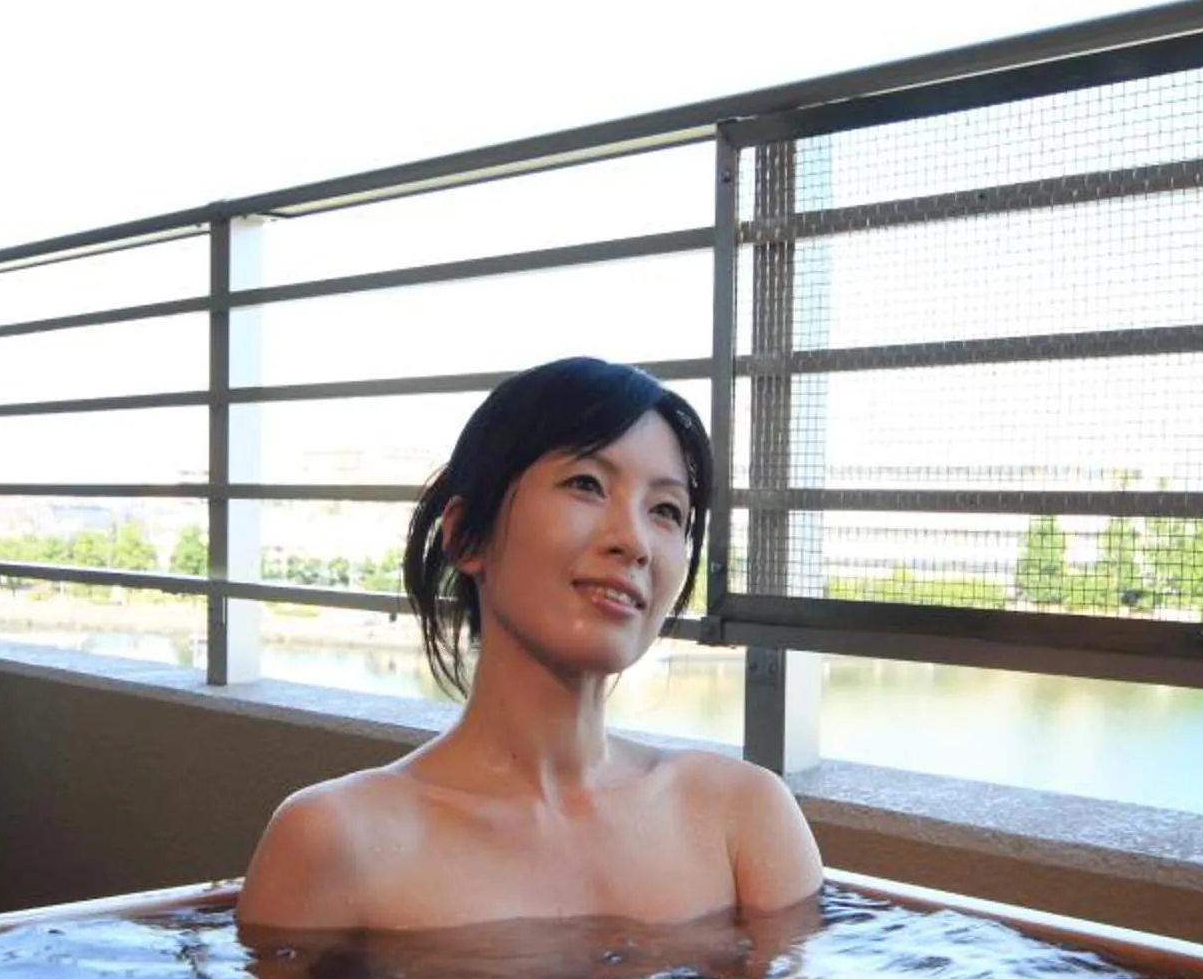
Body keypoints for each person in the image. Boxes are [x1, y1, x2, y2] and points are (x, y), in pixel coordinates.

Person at [237, 356, 822, 933]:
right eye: (586, 484)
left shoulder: (742, 818)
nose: (635, 541)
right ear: (467, 537)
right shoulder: (336, 840)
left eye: (667, 510)